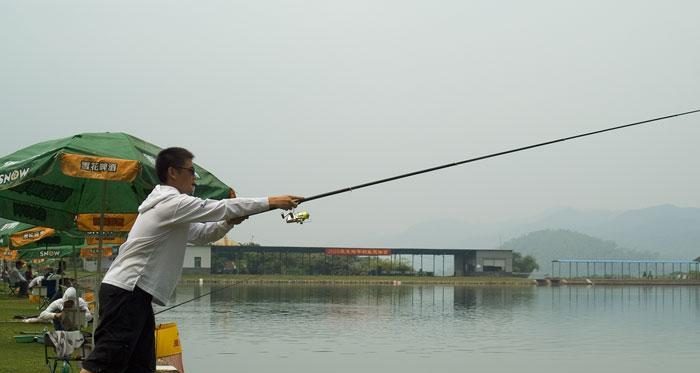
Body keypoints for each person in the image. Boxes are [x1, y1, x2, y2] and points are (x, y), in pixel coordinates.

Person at [81, 147, 302, 373]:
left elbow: (202, 234)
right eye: (191, 170)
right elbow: (218, 207)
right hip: (127, 290)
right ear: (173, 173)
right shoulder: (170, 203)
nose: (194, 178)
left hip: (135, 293)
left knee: (140, 365)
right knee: (106, 361)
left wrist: (229, 223)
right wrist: (271, 201)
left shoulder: (172, 209)